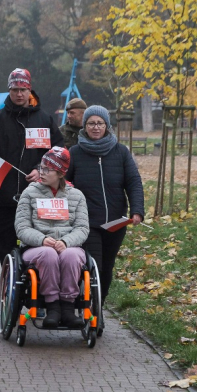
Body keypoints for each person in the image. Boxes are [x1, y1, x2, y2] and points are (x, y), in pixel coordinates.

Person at [0, 68, 64, 264]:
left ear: (30, 90)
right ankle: (8, 282)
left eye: (23, 89)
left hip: (38, 198)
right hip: (4, 200)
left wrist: (40, 170)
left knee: (36, 250)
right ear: (9, 90)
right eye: (14, 89)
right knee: (5, 250)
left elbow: (57, 151)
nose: (19, 94)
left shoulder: (44, 119)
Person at [66, 105, 145, 314]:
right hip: (87, 222)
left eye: (100, 123)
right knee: (94, 266)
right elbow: (63, 183)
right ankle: (88, 306)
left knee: (107, 268)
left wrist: (137, 210)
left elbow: (134, 181)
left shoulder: (121, 152)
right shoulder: (75, 152)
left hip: (116, 221)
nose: (95, 127)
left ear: (107, 126)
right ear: (85, 126)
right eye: (91, 123)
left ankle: (97, 307)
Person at [14, 147, 88, 328]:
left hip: (67, 245)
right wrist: (41, 239)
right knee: (48, 254)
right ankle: (53, 305)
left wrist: (66, 242)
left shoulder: (77, 196)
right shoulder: (29, 193)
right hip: (35, 248)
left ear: (61, 173)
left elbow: (82, 228)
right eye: (41, 168)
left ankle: (68, 307)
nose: (42, 172)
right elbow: (22, 227)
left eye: (47, 169)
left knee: (72, 256)